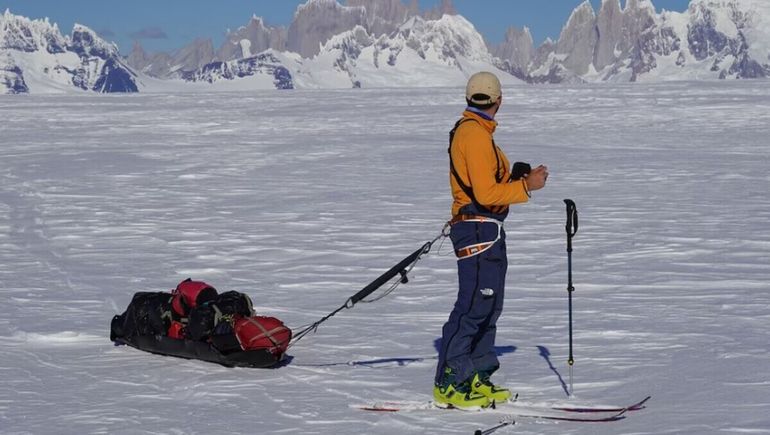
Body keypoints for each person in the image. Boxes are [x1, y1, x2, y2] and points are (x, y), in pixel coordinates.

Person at [434, 71, 549, 409]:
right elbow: (485, 193)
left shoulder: (479, 133)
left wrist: (516, 179)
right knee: (473, 305)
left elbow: (489, 186)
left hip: (487, 230)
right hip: (477, 231)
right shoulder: (474, 135)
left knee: (489, 305)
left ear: (470, 99)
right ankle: (450, 382)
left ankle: (477, 375)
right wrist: (527, 187)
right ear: (499, 101)